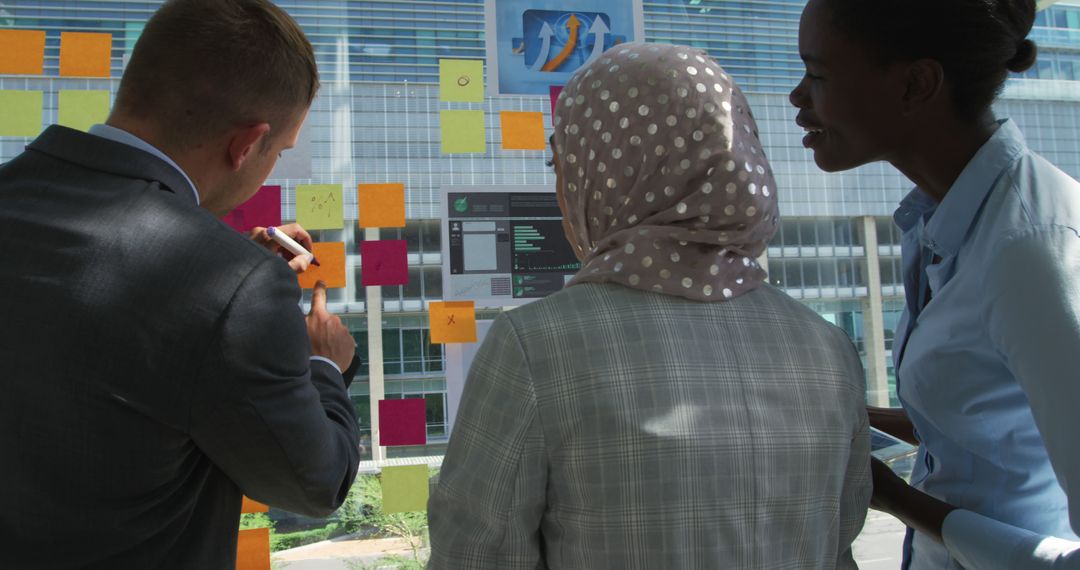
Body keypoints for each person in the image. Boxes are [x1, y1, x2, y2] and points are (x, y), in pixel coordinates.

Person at [428, 42, 871, 569]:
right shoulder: (826, 347)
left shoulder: (535, 347)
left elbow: (474, 557)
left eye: (561, 161)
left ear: (604, 173)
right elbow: (838, 545)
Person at [0, 0, 360, 567]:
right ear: (246, 145)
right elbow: (313, 484)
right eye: (280, 151)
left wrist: (226, 273)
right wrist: (323, 365)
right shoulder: (235, 288)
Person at [789, 0, 1080, 568]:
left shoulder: (1032, 250)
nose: (798, 98)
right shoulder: (939, 222)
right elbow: (978, 431)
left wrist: (896, 497)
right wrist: (849, 418)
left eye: (818, 74)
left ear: (916, 83)